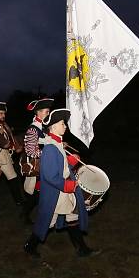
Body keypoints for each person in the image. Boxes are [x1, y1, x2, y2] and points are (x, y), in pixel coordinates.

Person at [23, 109, 99, 258]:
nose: (65, 126)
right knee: (49, 221)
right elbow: (50, 175)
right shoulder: (51, 148)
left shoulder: (56, 143)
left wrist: (71, 161)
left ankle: (81, 249)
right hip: (57, 192)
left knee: (70, 217)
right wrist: (69, 186)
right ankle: (30, 246)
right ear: (53, 127)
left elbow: (61, 165)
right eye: (62, 123)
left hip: (61, 191)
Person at [20, 98, 53, 225]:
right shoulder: (33, 129)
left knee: (39, 193)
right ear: (38, 113)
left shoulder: (43, 127)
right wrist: (48, 153)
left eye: (48, 111)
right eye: (46, 112)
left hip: (42, 164)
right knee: (32, 194)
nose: (48, 114)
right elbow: (30, 151)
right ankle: (24, 215)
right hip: (34, 166)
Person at [0, 102, 23, 209]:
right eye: (0, 113)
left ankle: (19, 201)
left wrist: (16, 146)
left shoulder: (4, 125)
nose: (3, 115)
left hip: (5, 155)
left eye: (4, 113)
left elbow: (10, 139)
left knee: (10, 179)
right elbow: (2, 143)